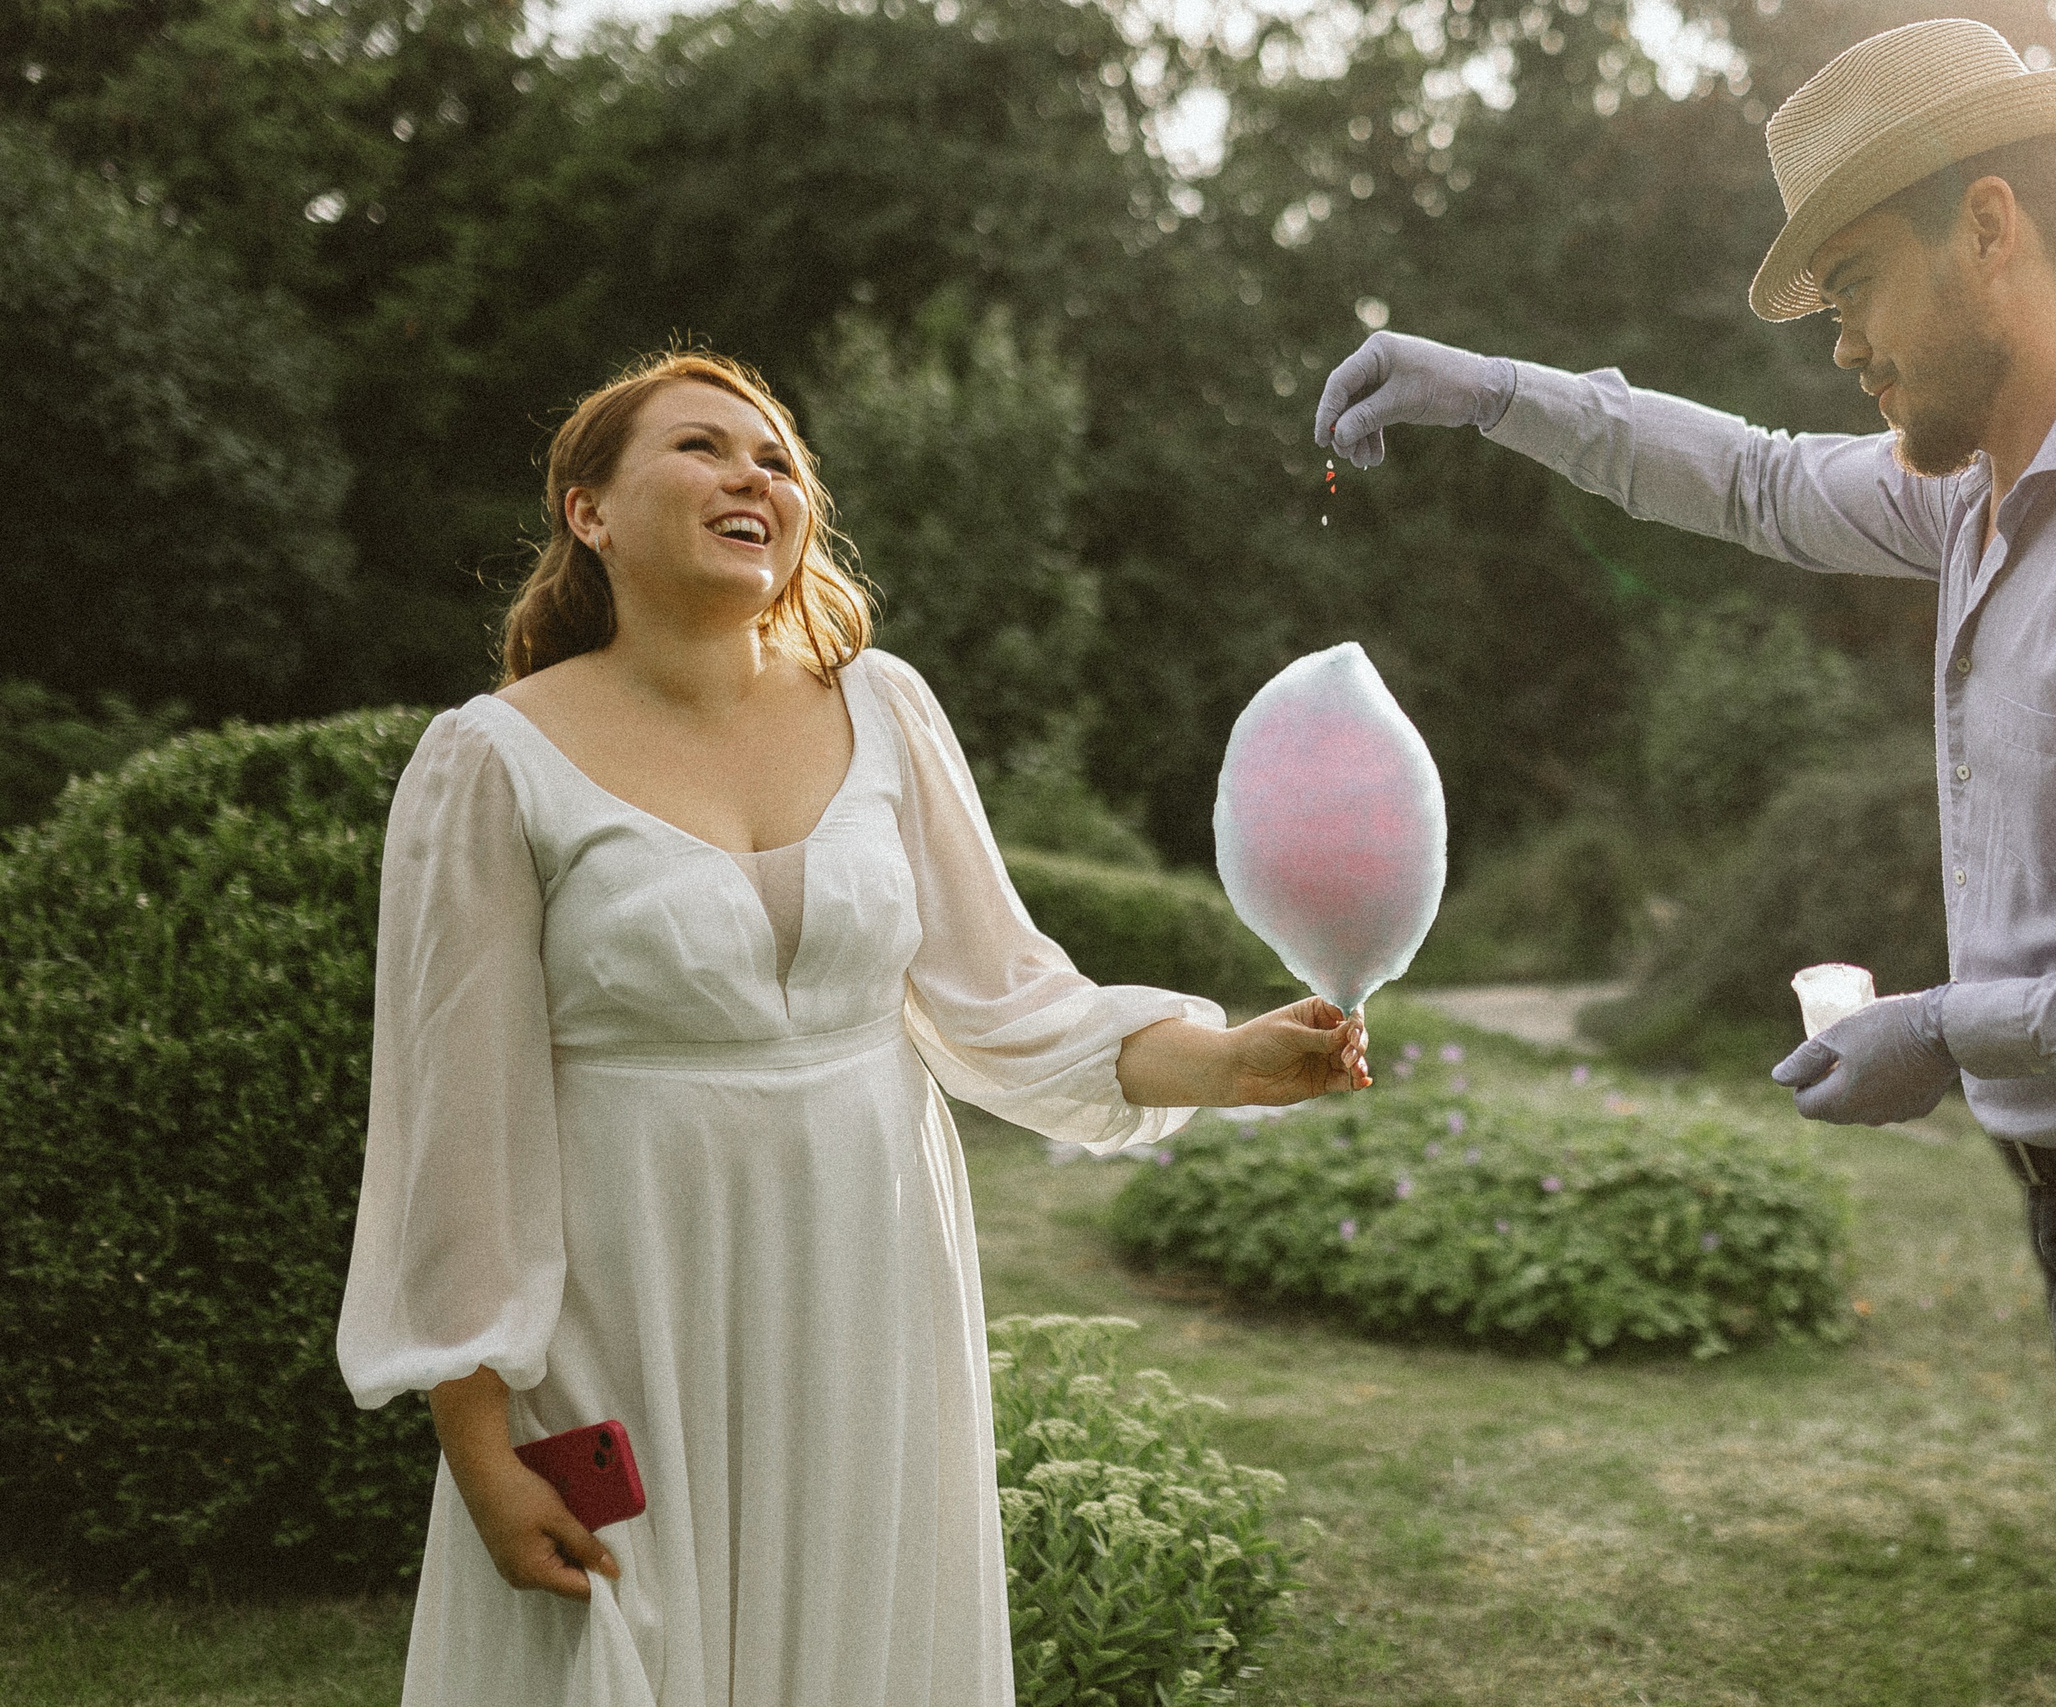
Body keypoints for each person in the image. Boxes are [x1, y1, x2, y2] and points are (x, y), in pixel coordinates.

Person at [1312, 17, 2056, 1707]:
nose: (1839, 347)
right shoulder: (1983, 490)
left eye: (1851, 286)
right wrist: (1488, 389)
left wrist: (1953, 1029)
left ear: (1991, 228)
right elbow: (1753, 483)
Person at [337, 348, 1369, 1706]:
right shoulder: (492, 757)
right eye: (702, 447)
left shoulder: (885, 707)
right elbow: (453, 1124)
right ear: (588, 511)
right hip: (621, 1295)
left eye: (776, 457)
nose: (753, 473)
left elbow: (1016, 1002)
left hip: (866, 1286)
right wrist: (480, 1446)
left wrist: (1232, 1059)